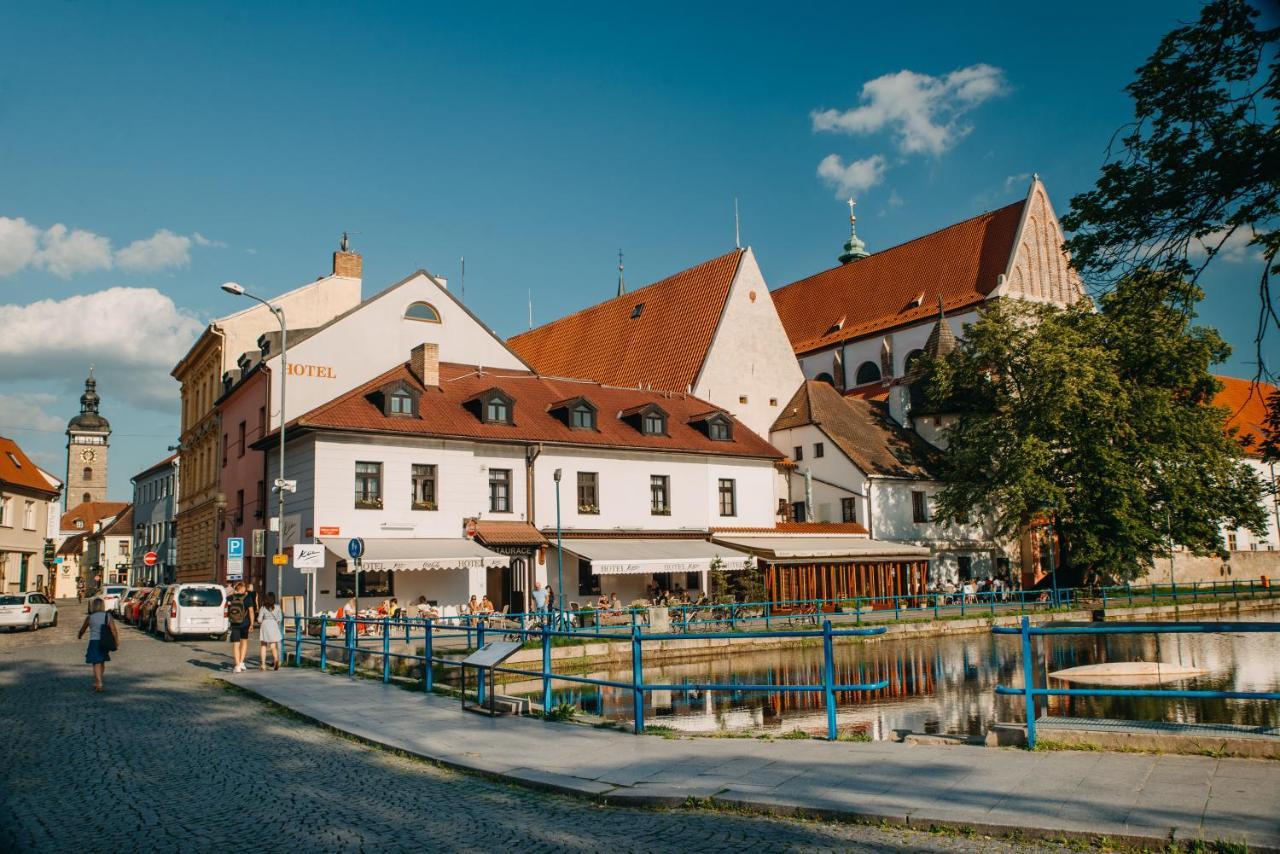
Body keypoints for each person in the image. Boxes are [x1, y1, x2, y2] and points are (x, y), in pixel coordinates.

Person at [78, 598, 118, 692]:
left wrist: (80, 635)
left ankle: (99, 682)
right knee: (102, 661)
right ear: (103, 605)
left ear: (93, 606)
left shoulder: (90, 617)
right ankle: (98, 680)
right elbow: (113, 630)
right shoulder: (108, 616)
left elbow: (83, 628)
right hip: (104, 641)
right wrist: (116, 641)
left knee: (96, 662)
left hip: (94, 641)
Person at [226, 581, 255, 673]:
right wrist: (252, 624)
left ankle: (237, 665)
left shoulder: (230, 597)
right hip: (245, 623)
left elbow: (226, 607)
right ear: (242, 589)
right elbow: (251, 611)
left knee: (236, 644)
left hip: (234, 623)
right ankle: (241, 662)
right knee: (244, 642)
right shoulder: (248, 598)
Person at [257, 591, 284, 671]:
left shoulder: (263, 608)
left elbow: (259, 620)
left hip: (265, 625)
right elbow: (280, 618)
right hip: (274, 625)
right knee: (273, 646)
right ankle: (276, 659)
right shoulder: (278, 607)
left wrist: (261, 621)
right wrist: (276, 622)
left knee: (263, 645)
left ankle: (263, 665)